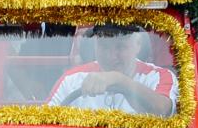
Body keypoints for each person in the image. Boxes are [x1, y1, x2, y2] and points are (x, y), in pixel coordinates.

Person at [45, 25, 178, 114]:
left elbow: (163, 110)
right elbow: (44, 123)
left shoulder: (158, 76)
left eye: (120, 47)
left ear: (137, 45)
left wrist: (120, 81)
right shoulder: (71, 80)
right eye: (104, 46)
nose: (111, 56)